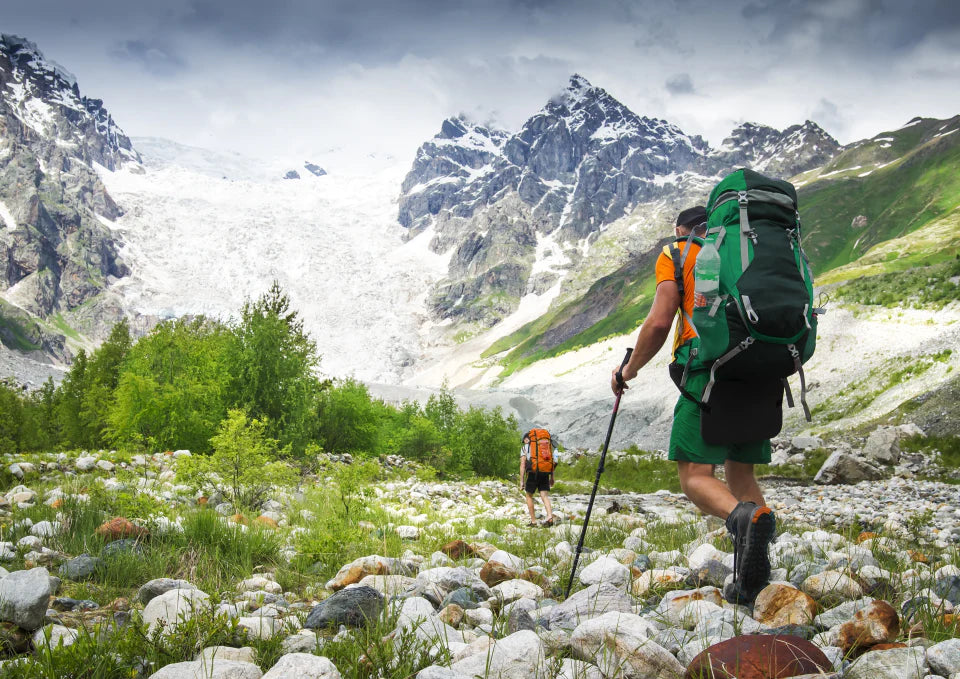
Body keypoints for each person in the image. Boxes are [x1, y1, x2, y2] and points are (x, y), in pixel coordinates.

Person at [609, 205, 776, 602]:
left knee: (695, 476)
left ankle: (747, 522)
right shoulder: (751, 250)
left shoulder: (680, 251)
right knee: (741, 475)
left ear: (681, 228)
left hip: (708, 367)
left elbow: (660, 321)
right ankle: (754, 577)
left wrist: (626, 372)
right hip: (764, 368)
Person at [520, 431, 557, 527]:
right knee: (544, 496)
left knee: (529, 496)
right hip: (544, 472)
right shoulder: (545, 447)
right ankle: (549, 517)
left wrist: (521, 481)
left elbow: (522, 465)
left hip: (532, 473)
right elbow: (550, 462)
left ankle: (533, 521)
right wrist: (552, 477)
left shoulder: (525, 447)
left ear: (526, 439)